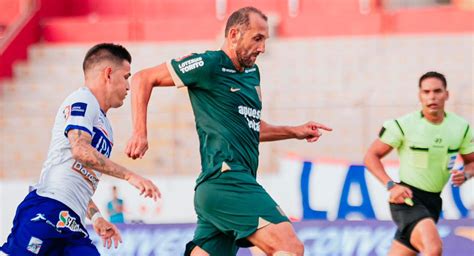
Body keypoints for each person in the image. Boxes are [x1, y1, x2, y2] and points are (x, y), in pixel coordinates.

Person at [125, 6, 331, 256]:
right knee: (289, 248)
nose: (262, 48)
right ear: (234, 34)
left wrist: (293, 131)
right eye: (257, 38)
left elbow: (250, 128)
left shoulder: (252, 74)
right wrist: (139, 132)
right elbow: (142, 79)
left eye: (265, 40)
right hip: (227, 180)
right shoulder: (209, 64)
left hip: (221, 188)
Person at [1, 43, 161, 255]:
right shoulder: (83, 99)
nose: (128, 87)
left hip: (71, 222)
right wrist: (130, 176)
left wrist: (96, 217)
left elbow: (79, 177)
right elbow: (80, 150)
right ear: (108, 74)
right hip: (47, 208)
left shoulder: (105, 127)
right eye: (126, 77)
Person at [364, 71, 474, 256]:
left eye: (437, 91)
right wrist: (391, 186)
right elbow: (371, 156)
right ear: (419, 95)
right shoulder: (403, 125)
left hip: (433, 202)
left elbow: (472, 162)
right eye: (426, 92)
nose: (432, 97)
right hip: (407, 198)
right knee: (433, 248)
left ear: (447, 94)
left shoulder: (460, 128)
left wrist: (467, 174)